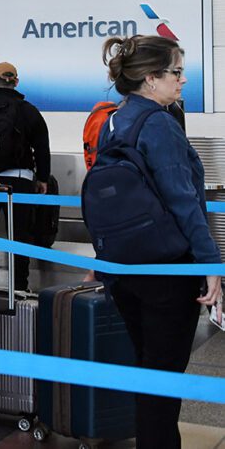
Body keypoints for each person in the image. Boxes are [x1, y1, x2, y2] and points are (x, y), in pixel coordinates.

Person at [96, 35, 222, 449]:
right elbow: (184, 201)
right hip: (166, 271)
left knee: (149, 371)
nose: (183, 80)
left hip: (125, 268)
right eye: (176, 72)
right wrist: (211, 264)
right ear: (151, 78)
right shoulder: (160, 124)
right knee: (163, 382)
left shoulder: (114, 120)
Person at [0, 61, 51, 291]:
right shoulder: (28, 110)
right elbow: (42, 147)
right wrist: (42, 178)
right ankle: (19, 287)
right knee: (19, 236)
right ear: (16, 82)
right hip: (20, 180)